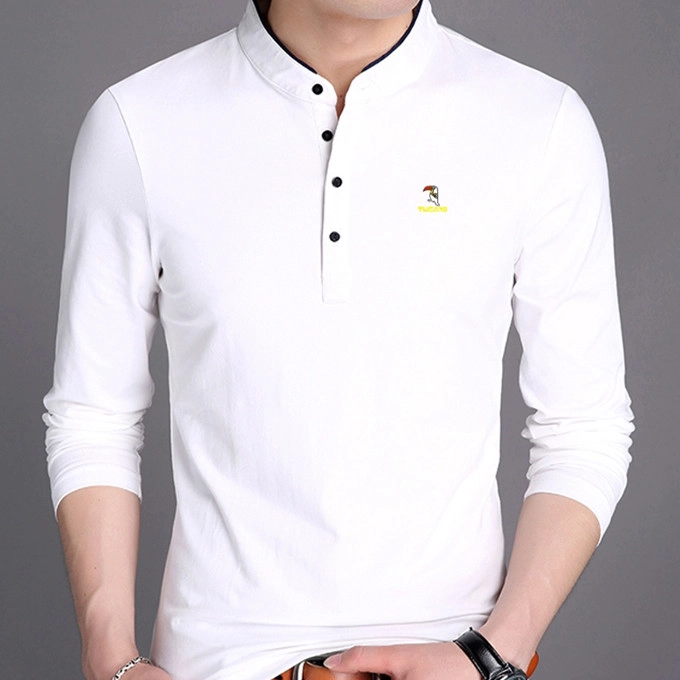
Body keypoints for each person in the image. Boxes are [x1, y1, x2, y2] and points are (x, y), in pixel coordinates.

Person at [43, 1, 634, 680]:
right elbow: (94, 416)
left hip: (455, 655)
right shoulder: (139, 123)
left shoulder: (540, 123)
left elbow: (582, 427)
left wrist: (492, 655)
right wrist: (112, 659)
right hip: (216, 663)